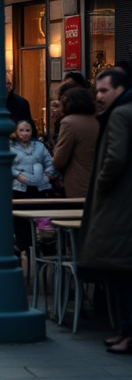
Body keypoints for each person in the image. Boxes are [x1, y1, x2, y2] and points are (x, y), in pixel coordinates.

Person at [80, 67, 132, 353]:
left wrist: (100, 184)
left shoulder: (120, 114)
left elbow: (115, 158)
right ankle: (124, 331)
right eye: (96, 91)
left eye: (104, 91)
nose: (98, 97)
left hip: (118, 205)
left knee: (122, 274)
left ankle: (128, 333)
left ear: (120, 90)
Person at [10, 119, 54, 254]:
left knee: (40, 220)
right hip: (19, 188)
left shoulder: (39, 146)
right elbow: (7, 165)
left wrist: (48, 176)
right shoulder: (10, 147)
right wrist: (17, 175)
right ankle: (24, 249)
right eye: (21, 130)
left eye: (27, 130)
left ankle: (40, 248)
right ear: (16, 132)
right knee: (20, 221)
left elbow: (49, 163)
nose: (25, 133)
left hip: (38, 188)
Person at [50, 86, 98, 199]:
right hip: (98, 180)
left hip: (78, 181)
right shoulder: (97, 120)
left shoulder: (69, 122)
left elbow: (59, 160)